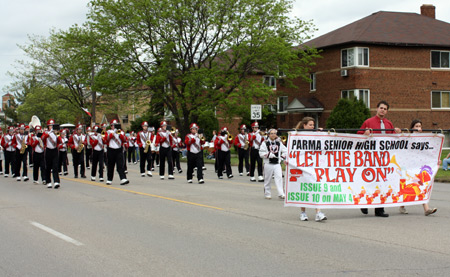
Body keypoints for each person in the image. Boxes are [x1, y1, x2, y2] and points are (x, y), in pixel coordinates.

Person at [358, 100, 401, 217]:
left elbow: (394, 139)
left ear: (387, 111)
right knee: (369, 181)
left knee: (382, 182)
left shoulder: (388, 124)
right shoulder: (368, 122)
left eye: (385, 109)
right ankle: (364, 204)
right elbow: (358, 136)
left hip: (384, 157)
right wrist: (364, 134)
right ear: (377, 109)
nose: (383, 110)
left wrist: (397, 132)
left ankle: (379, 209)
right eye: (381, 108)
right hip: (371, 157)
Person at [398, 119, 438, 216]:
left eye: (420, 126)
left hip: (418, 168)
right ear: (412, 128)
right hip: (409, 167)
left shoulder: (423, 139)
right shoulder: (408, 138)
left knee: (421, 186)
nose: (419, 128)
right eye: (416, 126)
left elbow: (428, 153)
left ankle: (426, 209)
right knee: (409, 187)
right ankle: (402, 206)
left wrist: (435, 160)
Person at [296, 117, 327, 222]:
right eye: (310, 125)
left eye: (313, 125)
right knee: (303, 189)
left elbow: (322, 147)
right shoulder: (297, 136)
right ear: (304, 125)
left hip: (313, 166)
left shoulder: (315, 135)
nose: (312, 127)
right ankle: (303, 213)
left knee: (316, 188)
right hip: (301, 166)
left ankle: (318, 212)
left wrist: (321, 135)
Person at [259, 128, 287, 200]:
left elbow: (286, 151)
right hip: (268, 163)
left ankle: (281, 193)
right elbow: (261, 153)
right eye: (271, 133)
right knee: (267, 179)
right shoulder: (264, 143)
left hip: (277, 164)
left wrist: (282, 157)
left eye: (274, 133)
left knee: (279, 178)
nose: (273, 135)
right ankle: (267, 193)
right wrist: (268, 155)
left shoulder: (279, 143)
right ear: (268, 134)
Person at [105, 119, 129, 185]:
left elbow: (124, 140)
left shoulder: (121, 132)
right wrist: (112, 134)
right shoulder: (108, 132)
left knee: (120, 165)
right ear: (111, 126)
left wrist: (119, 134)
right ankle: (109, 179)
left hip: (119, 150)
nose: (114, 127)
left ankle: (123, 178)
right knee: (110, 165)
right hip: (111, 149)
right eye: (113, 125)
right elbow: (105, 140)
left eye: (115, 125)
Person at [41, 119, 62, 188]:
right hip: (48, 150)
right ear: (48, 126)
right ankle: (48, 181)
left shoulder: (56, 132)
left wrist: (57, 134)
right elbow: (43, 138)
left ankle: (56, 181)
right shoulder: (46, 132)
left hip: (55, 150)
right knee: (48, 167)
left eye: (53, 125)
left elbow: (60, 141)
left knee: (55, 166)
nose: (52, 127)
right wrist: (49, 133)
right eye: (50, 126)